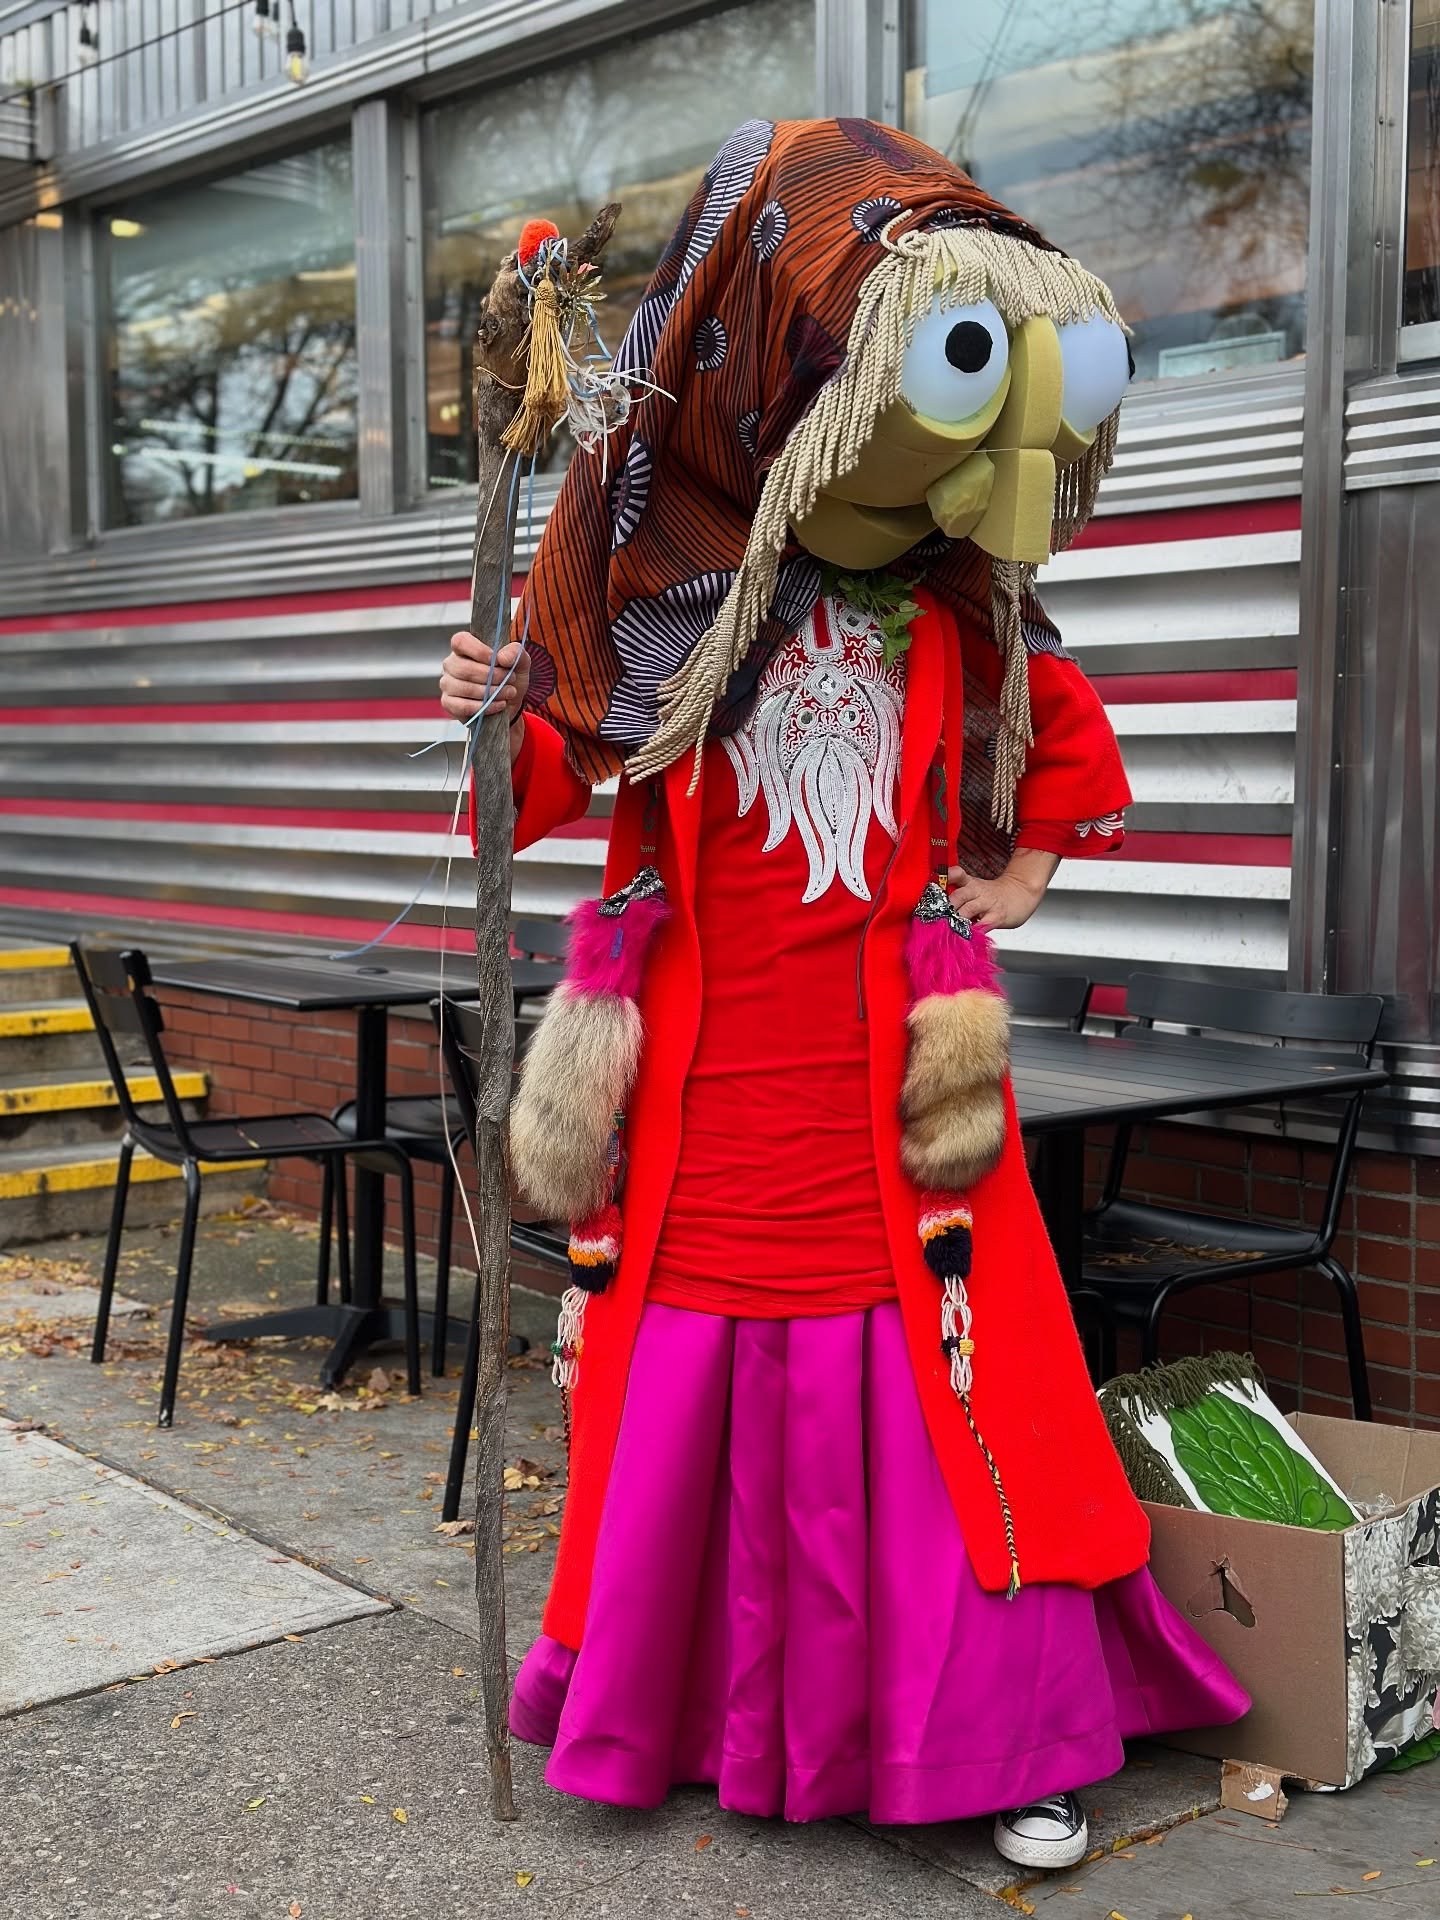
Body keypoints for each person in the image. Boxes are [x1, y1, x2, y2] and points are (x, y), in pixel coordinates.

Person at [440, 118, 1246, 1868]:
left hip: (902, 1080)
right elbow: (533, 804)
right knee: (696, 1385)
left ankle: (998, 1735)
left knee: (950, 1402)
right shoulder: (640, 599)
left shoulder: (962, 608)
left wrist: (1016, 879)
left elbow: (1069, 753)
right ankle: (695, 1718)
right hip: (700, 1090)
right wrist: (497, 701)